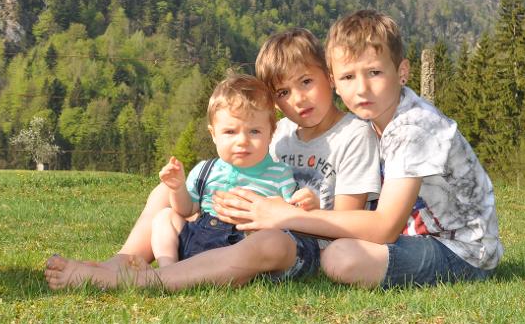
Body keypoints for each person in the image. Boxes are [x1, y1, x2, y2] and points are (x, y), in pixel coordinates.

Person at [44, 29, 381, 290]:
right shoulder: (280, 133)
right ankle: (122, 261)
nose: (298, 99)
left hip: (300, 245)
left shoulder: (353, 135)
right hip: (234, 229)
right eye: (282, 93)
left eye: (307, 82)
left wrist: (295, 211)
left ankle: (150, 281)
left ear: (330, 77)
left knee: (271, 242)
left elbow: (345, 223)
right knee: (166, 195)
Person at [214, 10, 502, 288]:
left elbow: (384, 228)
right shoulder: (375, 120)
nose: (362, 88)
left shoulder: (414, 128)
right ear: (334, 81)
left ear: (402, 71)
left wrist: (286, 216)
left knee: (342, 257)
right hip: (415, 236)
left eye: (374, 72)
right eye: (349, 77)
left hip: (462, 251)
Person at [147, 73, 303, 267]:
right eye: (230, 132)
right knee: (164, 216)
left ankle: (187, 272)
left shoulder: (279, 174)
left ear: (271, 134)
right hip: (198, 239)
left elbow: (293, 218)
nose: (242, 141)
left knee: (269, 239)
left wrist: (303, 204)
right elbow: (186, 210)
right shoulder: (205, 170)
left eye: (254, 131)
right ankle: (168, 267)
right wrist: (177, 188)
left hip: (243, 246)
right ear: (214, 134)